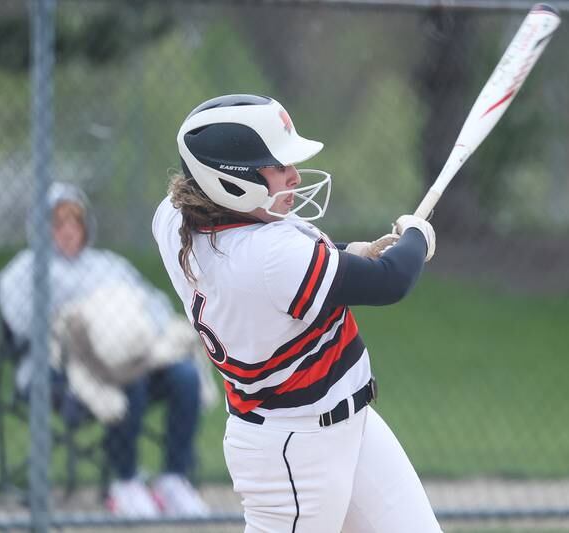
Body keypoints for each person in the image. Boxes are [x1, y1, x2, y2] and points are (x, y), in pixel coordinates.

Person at [152, 94, 442, 532]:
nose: (294, 176)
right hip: (296, 450)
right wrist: (417, 239)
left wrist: (349, 254)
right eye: (276, 165)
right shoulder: (269, 256)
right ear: (230, 181)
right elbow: (390, 282)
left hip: (349, 425)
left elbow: (292, 266)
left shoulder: (176, 219)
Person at [0, 182, 216, 518]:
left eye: (75, 223)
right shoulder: (25, 270)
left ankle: (173, 480)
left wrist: (133, 333)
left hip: (127, 360)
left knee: (184, 377)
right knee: (132, 381)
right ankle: (124, 482)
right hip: (62, 375)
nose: (68, 231)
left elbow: (153, 305)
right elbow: (25, 325)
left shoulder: (108, 265)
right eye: (58, 224)